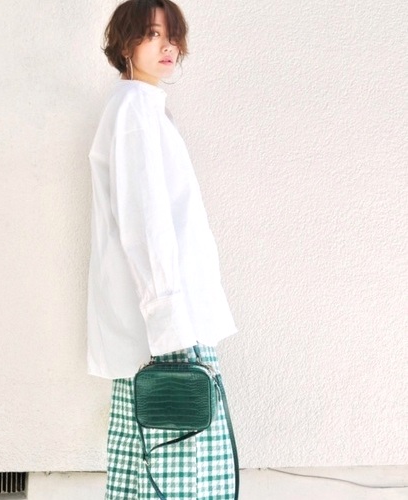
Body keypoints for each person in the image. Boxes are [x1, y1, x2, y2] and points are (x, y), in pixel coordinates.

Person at [87, 0, 238, 498]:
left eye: (172, 35)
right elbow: (144, 221)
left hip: (167, 311)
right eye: (152, 35)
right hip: (165, 319)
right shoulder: (134, 109)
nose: (167, 46)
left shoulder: (143, 106)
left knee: (151, 453)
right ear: (125, 43)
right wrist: (168, 317)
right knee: (179, 455)